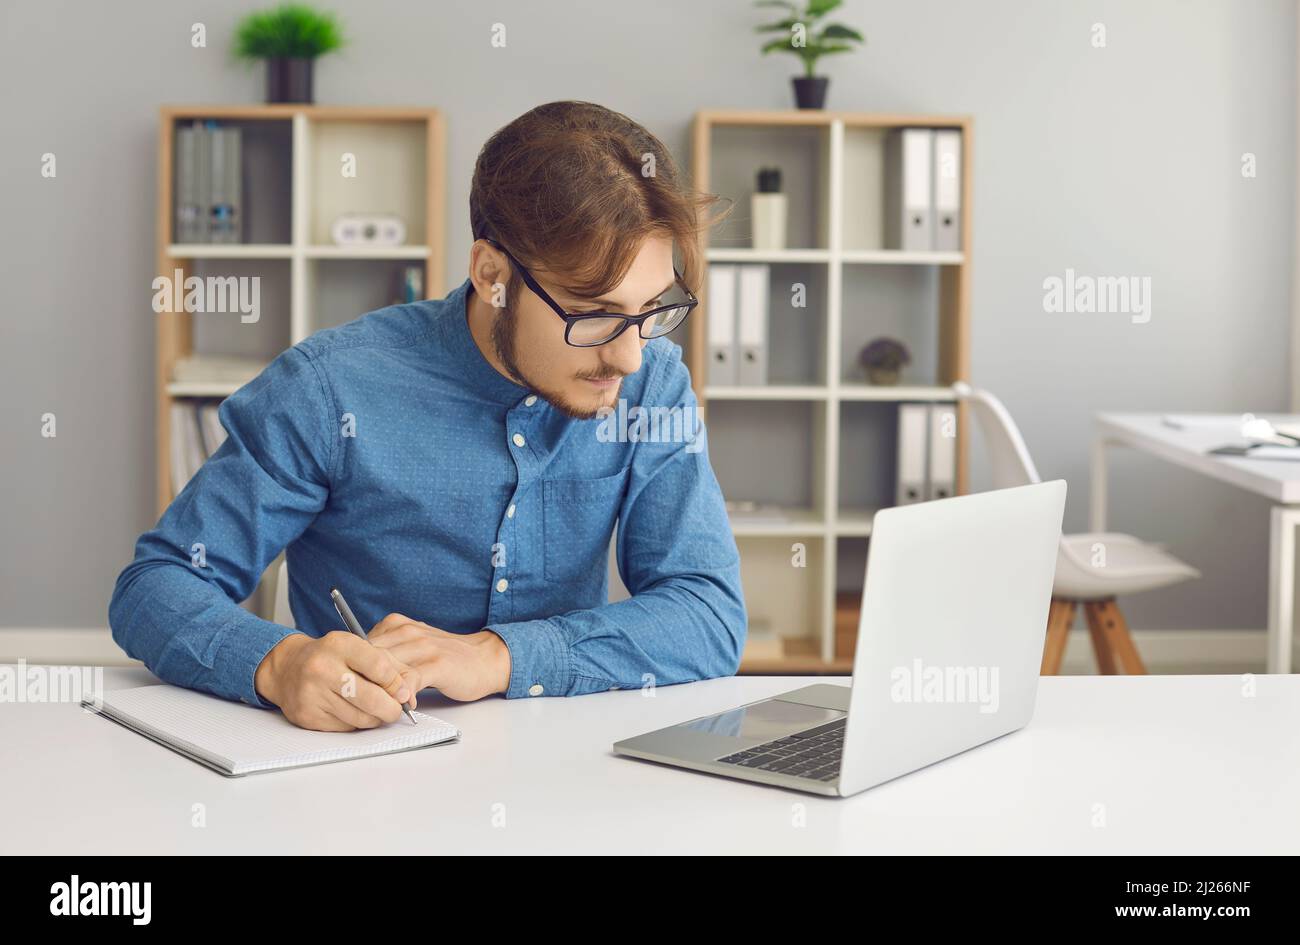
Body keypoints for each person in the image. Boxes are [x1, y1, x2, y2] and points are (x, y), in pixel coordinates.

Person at [109, 101, 747, 731]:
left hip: (564, 774)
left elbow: (709, 613)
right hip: (367, 773)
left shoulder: (653, 383)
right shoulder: (331, 388)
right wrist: (277, 665)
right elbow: (156, 586)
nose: (631, 356)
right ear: (492, 274)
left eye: (651, 310)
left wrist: (498, 657)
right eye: (595, 314)